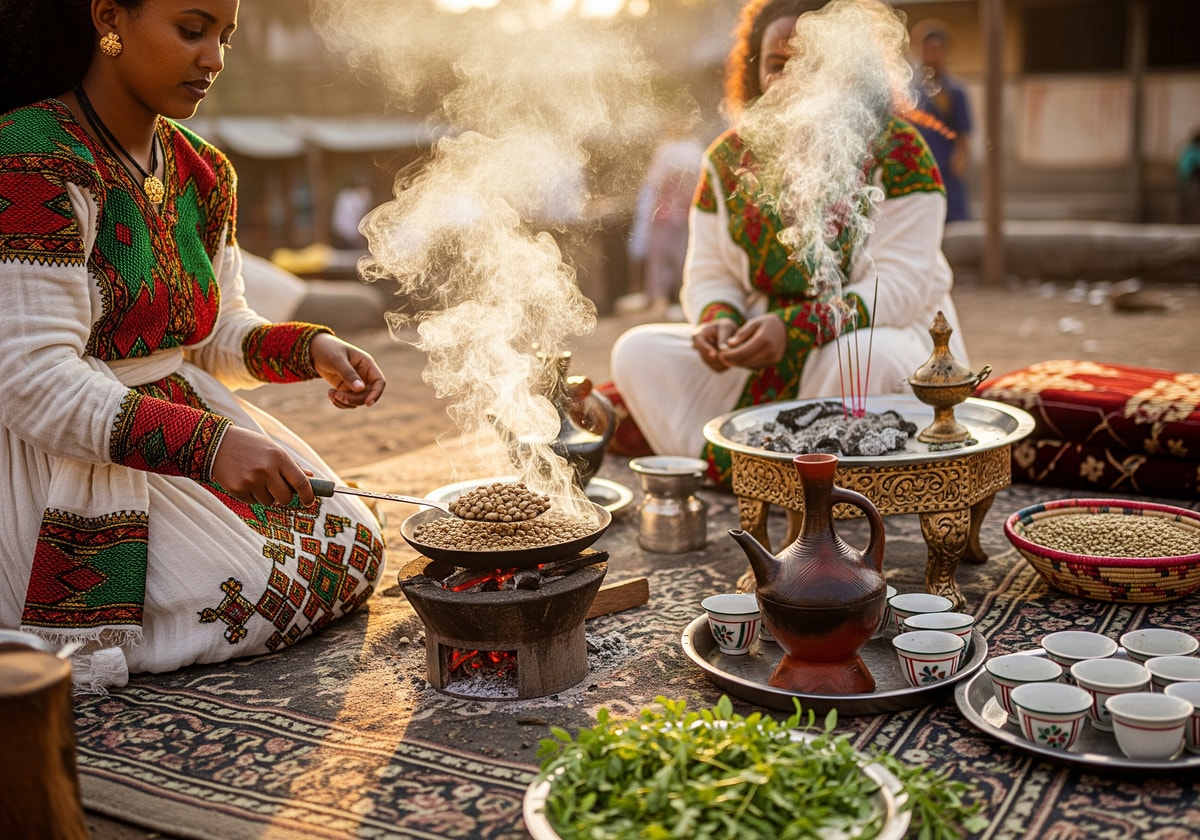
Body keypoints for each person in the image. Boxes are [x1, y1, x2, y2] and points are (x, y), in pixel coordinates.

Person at [0, 0, 389, 692]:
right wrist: (210, 447)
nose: (214, 58)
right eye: (192, 29)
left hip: (179, 419)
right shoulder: (31, 155)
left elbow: (214, 335)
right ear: (109, 18)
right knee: (247, 585)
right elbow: (32, 378)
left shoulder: (204, 172)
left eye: (225, 36)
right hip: (65, 448)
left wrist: (312, 350)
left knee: (349, 544)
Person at [608, 0, 969, 484]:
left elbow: (899, 288)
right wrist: (720, 322)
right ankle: (747, 474)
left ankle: (826, 484)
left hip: (874, 341)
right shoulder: (727, 159)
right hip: (760, 350)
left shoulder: (899, 150)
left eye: (811, 64)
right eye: (777, 65)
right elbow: (710, 275)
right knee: (638, 351)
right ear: (756, 73)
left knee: (862, 357)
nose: (790, 80)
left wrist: (796, 329)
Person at [626, 121, 706, 314]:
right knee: (683, 254)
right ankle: (680, 297)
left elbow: (655, 183)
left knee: (662, 257)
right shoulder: (696, 149)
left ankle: (662, 298)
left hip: (666, 212)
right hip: (686, 211)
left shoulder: (667, 150)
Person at [910, 19, 973, 223]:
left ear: (945, 51)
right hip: (919, 166)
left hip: (946, 167)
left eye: (937, 49)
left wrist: (961, 156)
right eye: (928, 49)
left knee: (952, 220)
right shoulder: (912, 91)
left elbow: (963, 131)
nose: (932, 54)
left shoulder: (955, 90)